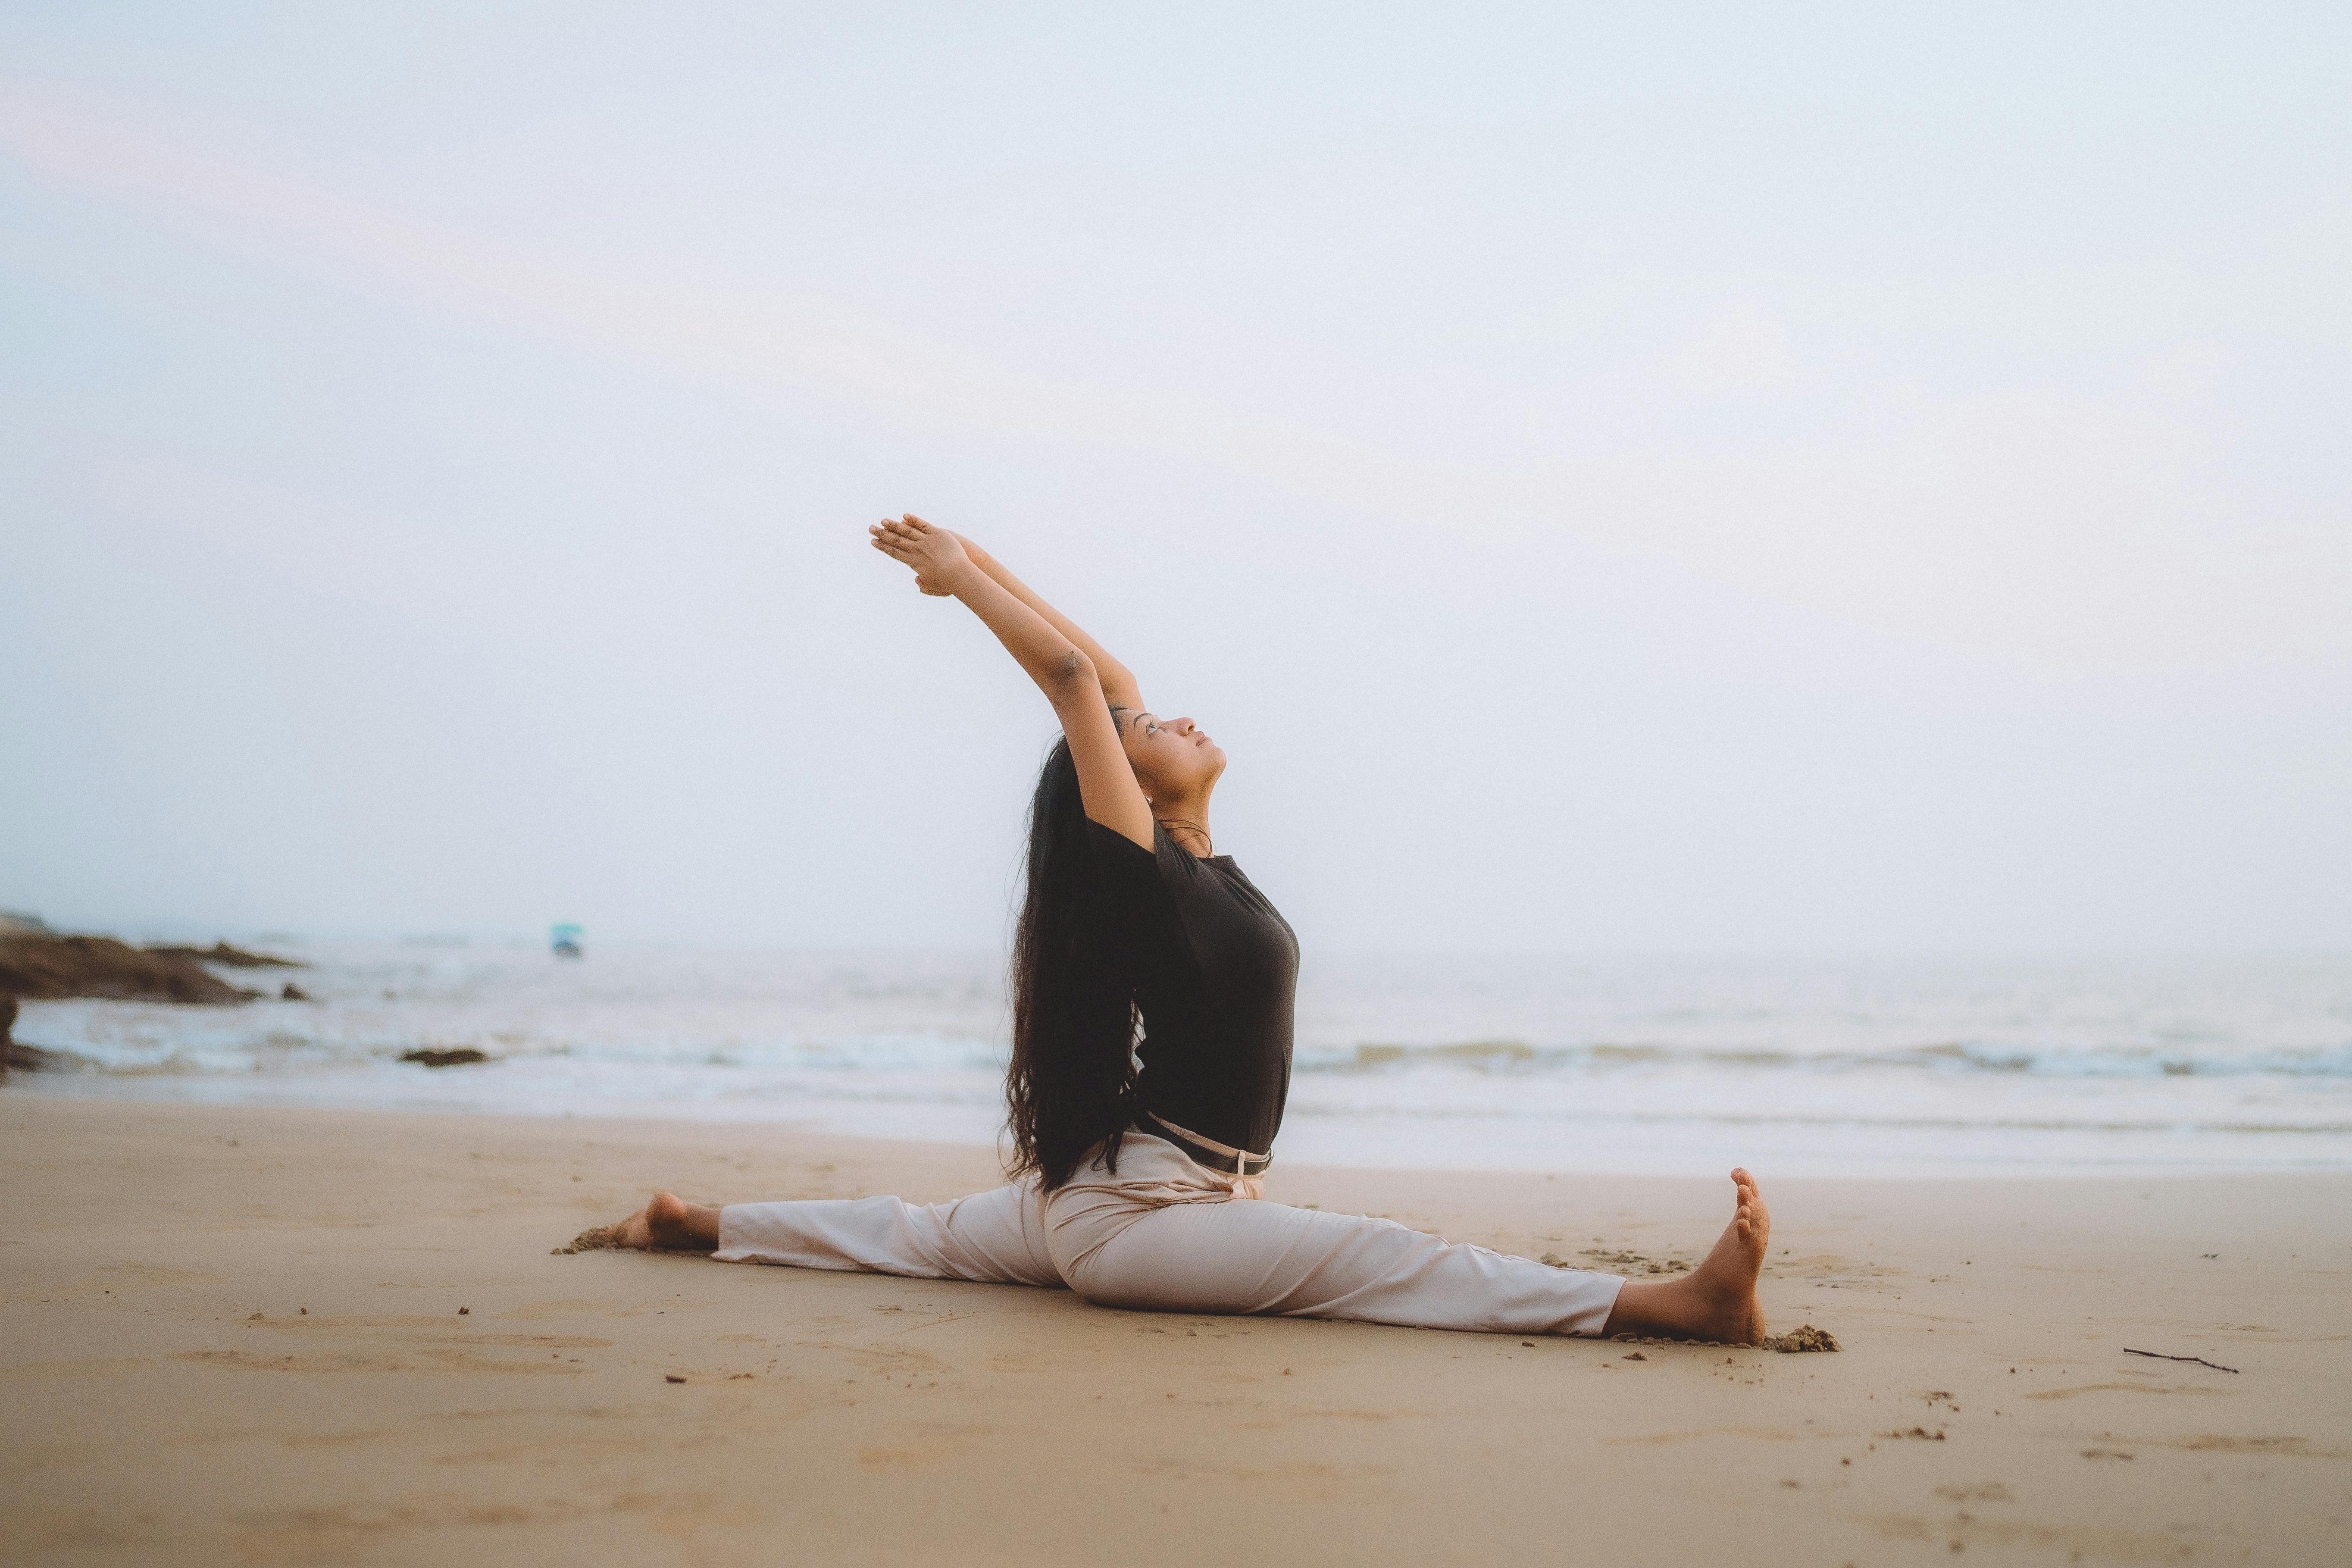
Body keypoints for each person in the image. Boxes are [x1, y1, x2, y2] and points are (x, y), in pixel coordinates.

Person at [600, 515, 1770, 1344]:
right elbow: (1070, 678)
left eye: (1148, 716)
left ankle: (687, 1222)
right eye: (1148, 726)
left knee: (913, 1234)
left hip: (1131, 1193)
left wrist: (982, 561)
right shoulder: (1143, 870)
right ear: (1128, 789)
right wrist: (960, 582)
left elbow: (1099, 667)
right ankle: (1674, 1307)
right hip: (1137, 1222)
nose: (1166, 713)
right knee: (1385, 1262)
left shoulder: (1202, 869)